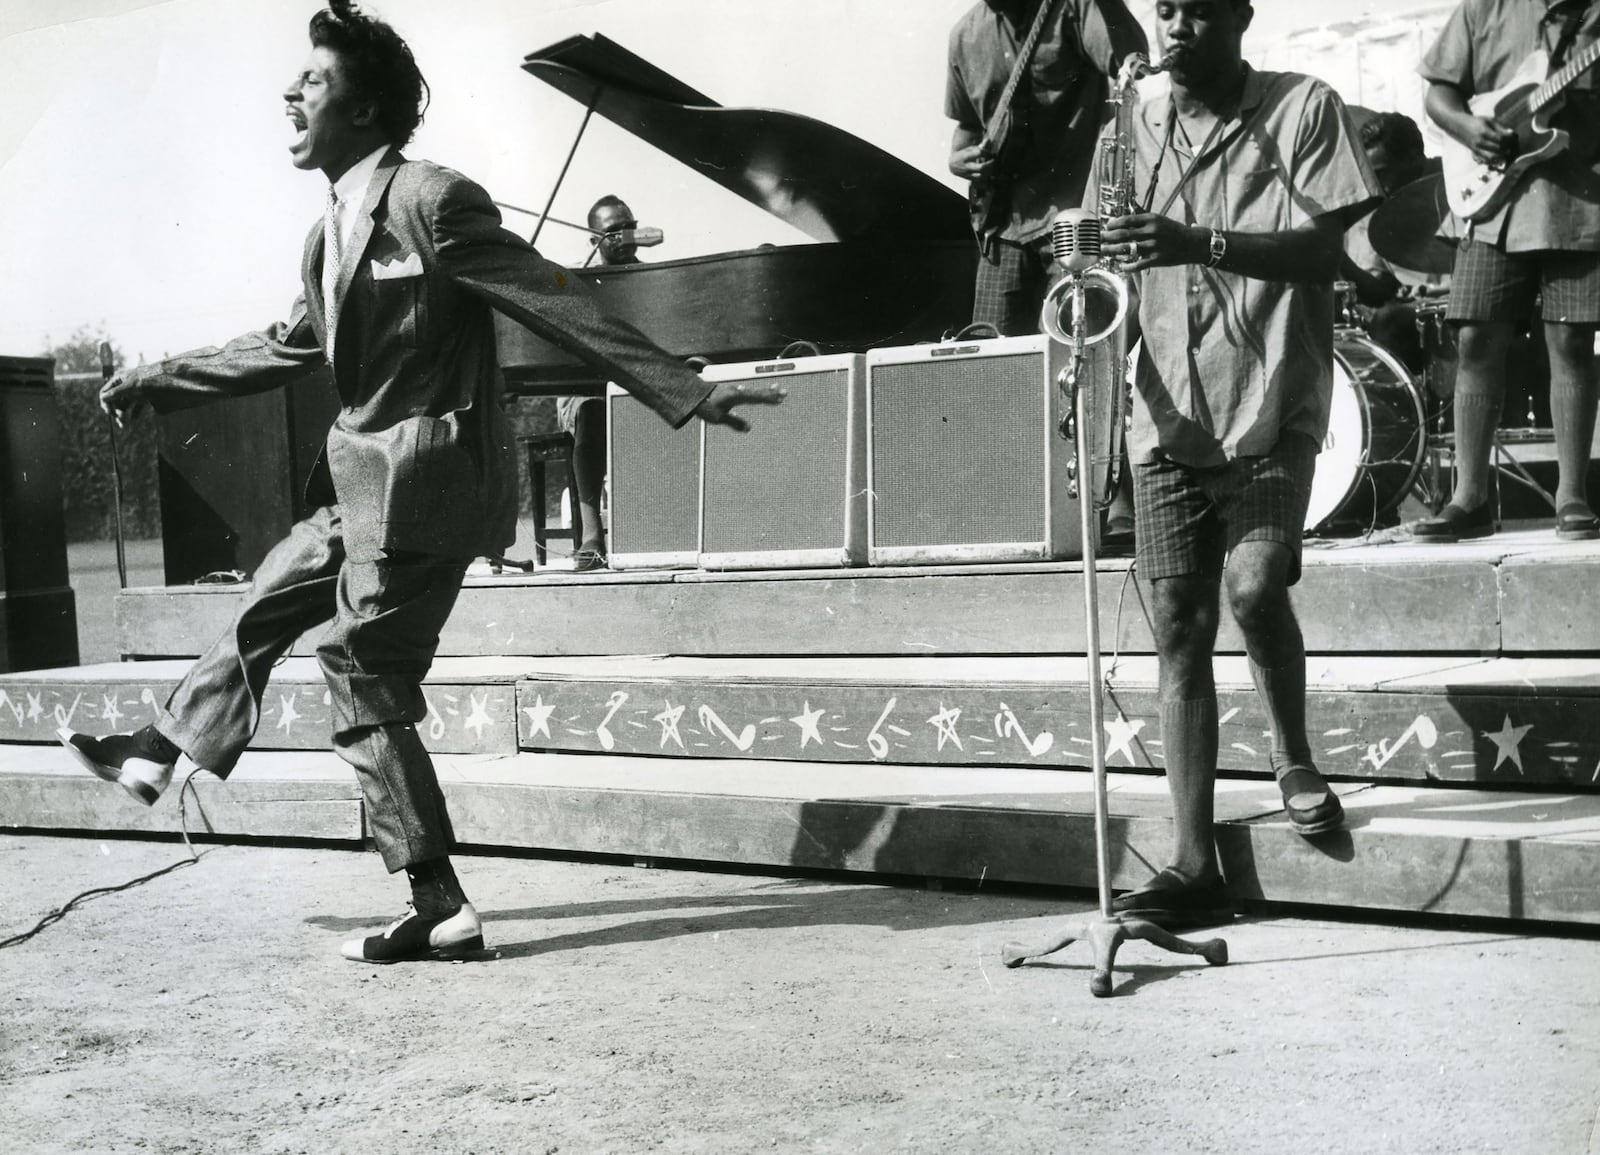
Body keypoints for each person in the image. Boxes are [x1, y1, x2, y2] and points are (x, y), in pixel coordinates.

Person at [55, 1, 782, 964]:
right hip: (357, 485)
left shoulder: (432, 200)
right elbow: (286, 346)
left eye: (311, 80)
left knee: (361, 669)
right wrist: (154, 379)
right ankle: (161, 747)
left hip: (423, 486)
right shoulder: (327, 235)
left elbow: (550, 293)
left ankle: (435, 898)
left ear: (362, 113)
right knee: (269, 599)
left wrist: (679, 386)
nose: (290, 92)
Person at [1095, 0, 1383, 927]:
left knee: (1256, 587)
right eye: (1162, 10)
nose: (1173, 28)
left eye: (1194, 11)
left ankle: (1293, 750)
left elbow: (1341, 248)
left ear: (1239, 18)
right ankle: (1192, 863)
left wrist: (1195, 242)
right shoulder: (1130, 119)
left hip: (1269, 398)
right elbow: (1112, 256)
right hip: (1165, 410)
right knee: (1179, 623)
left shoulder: (1304, 107)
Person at [946, 0, 1148, 546]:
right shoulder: (964, 35)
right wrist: (959, 160)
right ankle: (1008, 505)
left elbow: (1131, 67)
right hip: (1004, 224)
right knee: (993, 368)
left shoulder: (1074, 6)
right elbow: (963, 138)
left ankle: (1115, 496)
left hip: (1076, 214)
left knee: (1093, 355)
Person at [1413, 0, 1600, 544]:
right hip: (1492, 203)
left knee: (1570, 340)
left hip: (1580, 201)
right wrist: (1470, 129)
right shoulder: (1484, 8)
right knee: (1474, 340)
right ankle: (1468, 498)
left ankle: (1572, 494)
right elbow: (1438, 93)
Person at [554, 194, 645, 571]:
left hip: (637, 386)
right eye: (613, 232)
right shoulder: (570, 276)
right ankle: (593, 535)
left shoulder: (654, 277)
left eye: (630, 228)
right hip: (584, 389)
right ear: (594, 240)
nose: (625, 237)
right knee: (592, 411)